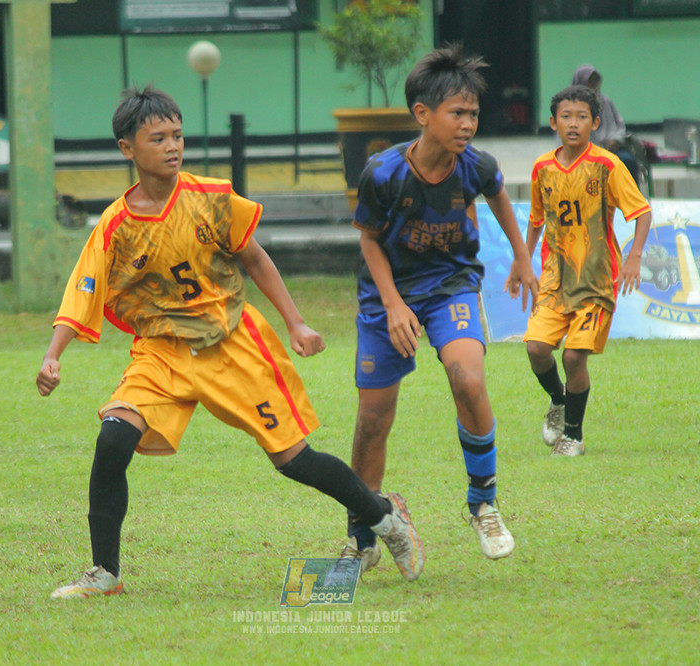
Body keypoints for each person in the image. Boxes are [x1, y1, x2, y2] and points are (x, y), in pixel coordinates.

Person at [39, 84, 425, 598]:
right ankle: (105, 573)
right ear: (127, 148)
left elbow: (256, 259)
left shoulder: (211, 198)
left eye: (177, 135)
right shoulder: (115, 226)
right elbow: (83, 287)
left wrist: (296, 323)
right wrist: (53, 355)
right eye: (158, 138)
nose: (173, 146)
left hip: (232, 343)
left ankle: (384, 517)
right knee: (113, 439)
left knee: (295, 461)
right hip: (163, 352)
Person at [338, 44, 538, 572]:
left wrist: (522, 257)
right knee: (372, 420)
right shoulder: (382, 173)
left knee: (468, 379)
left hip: (451, 285)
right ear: (423, 115)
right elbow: (369, 241)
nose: (468, 123)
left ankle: (483, 504)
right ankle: (362, 536)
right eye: (457, 113)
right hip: (387, 295)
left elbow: (498, 194)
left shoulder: (477, 166)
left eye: (473, 113)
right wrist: (393, 304)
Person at [524, 84, 652, 457]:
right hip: (554, 278)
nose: (574, 124)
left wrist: (634, 257)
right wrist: (523, 259)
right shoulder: (542, 168)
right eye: (566, 116)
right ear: (553, 122)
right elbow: (536, 219)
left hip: (597, 280)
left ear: (595, 123)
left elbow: (642, 212)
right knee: (536, 349)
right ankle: (558, 401)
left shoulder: (607, 165)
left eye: (582, 117)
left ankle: (574, 437)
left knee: (573, 357)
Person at [571, 65, 642, 186]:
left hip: (610, 149)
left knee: (628, 161)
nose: (593, 85)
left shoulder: (605, 102)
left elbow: (619, 126)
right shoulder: (570, 106)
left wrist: (615, 140)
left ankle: (632, 201)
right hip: (581, 151)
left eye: (595, 81)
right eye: (590, 81)